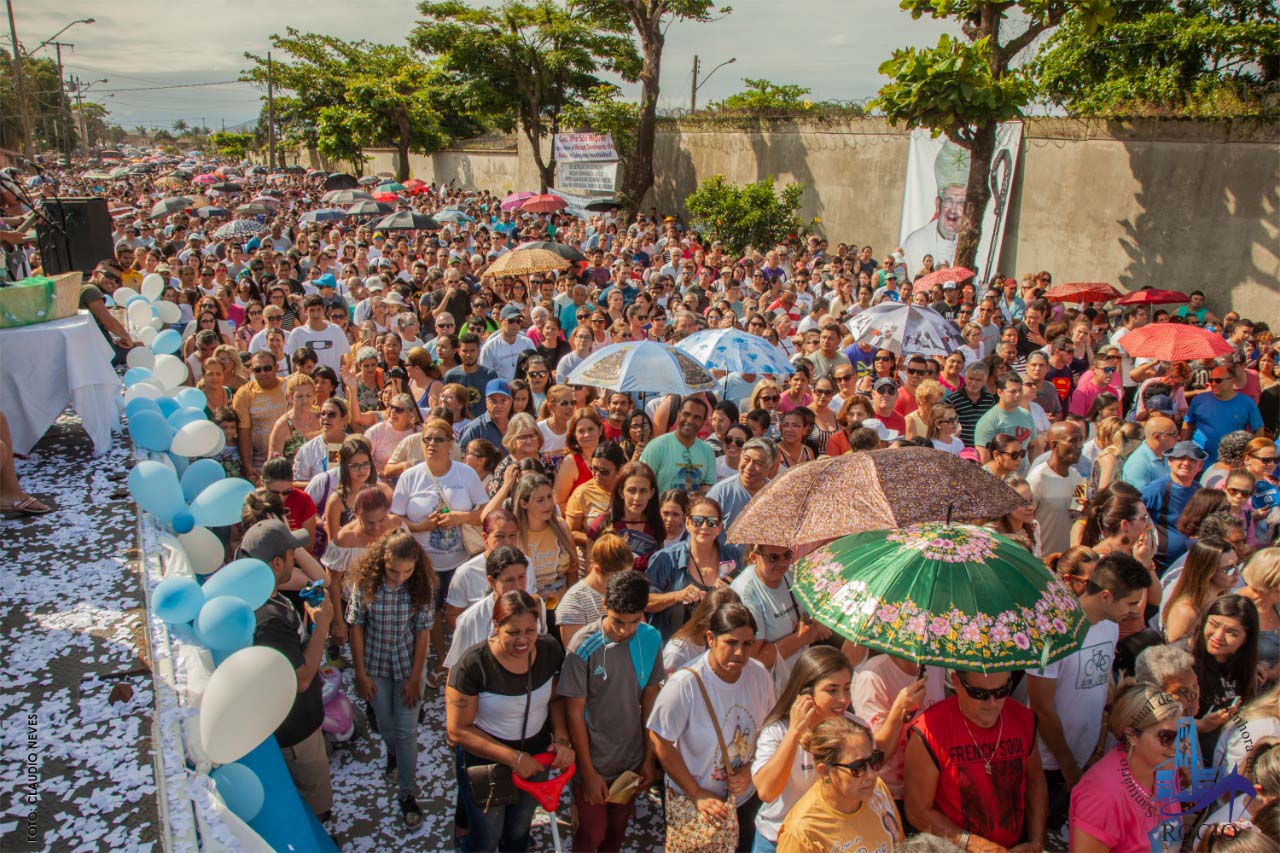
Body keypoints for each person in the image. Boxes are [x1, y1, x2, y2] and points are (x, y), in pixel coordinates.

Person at [1026, 551, 1152, 833]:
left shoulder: (1110, 627)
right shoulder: (1052, 633)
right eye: (1130, 602)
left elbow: (1102, 681)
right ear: (1106, 596)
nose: (1134, 611)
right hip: (1049, 764)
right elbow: (1041, 707)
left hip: (1086, 759)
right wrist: (1068, 766)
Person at [445, 590, 573, 853]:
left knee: (518, 830)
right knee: (486, 837)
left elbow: (556, 699)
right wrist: (514, 759)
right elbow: (458, 730)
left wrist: (561, 738)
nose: (523, 640)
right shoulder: (473, 665)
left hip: (537, 757)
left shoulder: (549, 650)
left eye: (530, 630)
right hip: (487, 761)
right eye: (513, 632)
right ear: (495, 627)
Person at [648, 601, 777, 853]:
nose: (739, 653)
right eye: (731, 643)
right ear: (711, 638)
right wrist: (696, 793)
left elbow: (768, 729)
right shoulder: (685, 684)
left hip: (746, 801)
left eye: (747, 644)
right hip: (698, 805)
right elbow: (660, 740)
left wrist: (752, 770)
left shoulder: (759, 675)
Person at [560, 571, 663, 853]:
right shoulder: (582, 645)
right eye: (618, 621)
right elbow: (573, 713)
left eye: (634, 622)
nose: (625, 630)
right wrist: (587, 772)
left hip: (630, 761)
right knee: (592, 833)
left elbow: (651, 698)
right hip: (594, 761)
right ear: (603, 605)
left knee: (617, 831)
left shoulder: (651, 638)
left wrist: (648, 757)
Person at [244, 519, 333, 819]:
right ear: (276, 561)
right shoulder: (266, 620)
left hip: (292, 727)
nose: (297, 559)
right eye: (292, 555)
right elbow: (302, 679)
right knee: (315, 806)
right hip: (295, 734)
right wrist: (322, 626)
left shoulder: (263, 595)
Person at [392, 416, 489, 687]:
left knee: (460, 610)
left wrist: (459, 517)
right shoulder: (411, 476)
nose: (432, 445)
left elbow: (484, 512)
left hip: (460, 559)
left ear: (450, 443)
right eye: (427, 439)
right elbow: (395, 518)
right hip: (424, 560)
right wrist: (420, 525)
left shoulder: (465, 473)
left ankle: (465, 657)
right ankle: (441, 658)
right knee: (430, 611)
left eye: (438, 439)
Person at [346, 529, 434, 828]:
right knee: (385, 725)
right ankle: (392, 754)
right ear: (382, 561)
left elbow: (424, 632)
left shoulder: (421, 586)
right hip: (376, 667)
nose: (399, 578)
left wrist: (415, 677)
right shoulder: (365, 583)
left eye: (407, 571)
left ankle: (407, 794)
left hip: (408, 667)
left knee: (407, 731)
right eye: (393, 571)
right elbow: (356, 626)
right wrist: (360, 673)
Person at [905, 667, 1046, 851]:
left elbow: (1036, 782)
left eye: (1002, 691)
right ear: (956, 682)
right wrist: (976, 845)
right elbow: (917, 811)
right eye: (979, 693)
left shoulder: (1023, 719)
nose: (992, 702)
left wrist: (1036, 842)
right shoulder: (930, 730)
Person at [752, 647, 860, 853]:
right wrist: (794, 732)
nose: (844, 699)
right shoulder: (777, 732)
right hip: (778, 840)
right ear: (805, 694)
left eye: (847, 688)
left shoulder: (857, 731)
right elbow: (766, 791)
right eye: (832, 690)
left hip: (834, 841)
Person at [1067, 683, 1181, 852]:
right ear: (1132, 736)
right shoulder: (1101, 797)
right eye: (1166, 737)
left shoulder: (1165, 771)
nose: (1178, 745)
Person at [774, 715, 902, 853]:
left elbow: (901, 846)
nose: (871, 775)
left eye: (874, 760)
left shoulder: (878, 790)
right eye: (857, 767)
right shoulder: (802, 832)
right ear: (825, 771)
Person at [733, 542, 832, 694]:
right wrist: (801, 638)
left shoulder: (791, 574)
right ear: (754, 558)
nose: (782, 563)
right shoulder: (746, 593)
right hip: (767, 690)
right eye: (773, 558)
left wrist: (817, 622)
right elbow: (754, 658)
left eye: (787, 555)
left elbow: (814, 612)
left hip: (797, 680)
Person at [647, 496, 745, 640]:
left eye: (712, 522)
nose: (704, 527)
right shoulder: (665, 559)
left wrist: (732, 593)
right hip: (674, 647)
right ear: (687, 523)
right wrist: (677, 595)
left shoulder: (733, 556)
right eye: (697, 520)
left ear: (719, 528)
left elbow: (745, 599)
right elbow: (646, 602)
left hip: (717, 647)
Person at [1185, 594, 1260, 758]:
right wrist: (1200, 725)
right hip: (1186, 761)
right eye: (1214, 624)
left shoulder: (1246, 668)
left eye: (1232, 632)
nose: (1218, 637)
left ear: (1246, 639)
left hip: (1225, 757)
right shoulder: (1181, 662)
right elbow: (1158, 720)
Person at [513, 472, 579, 623]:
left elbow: (573, 569)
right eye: (540, 500)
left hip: (562, 609)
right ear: (524, 503)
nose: (548, 504)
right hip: (527, 611)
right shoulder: (514, 534)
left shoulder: (561, 526)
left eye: (550, 497)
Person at [556, 532, 634, 646]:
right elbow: (577, 656)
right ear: (597, 570)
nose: (624, 583)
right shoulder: (574, 603)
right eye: (617, 579)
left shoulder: (626, 591)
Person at [1143, 440, 1208, 572]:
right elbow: (1132, 512)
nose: (1186, 463)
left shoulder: (1199, 490)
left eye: (1192, 460)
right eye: (1181, 458)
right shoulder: (1157, 489)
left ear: (1200, 465)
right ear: (1170, 461)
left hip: (1191, 562)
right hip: (1161, 563)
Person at [1161, 537, 1241, 642]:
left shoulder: (1221, 601)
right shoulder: (1186, 612)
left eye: (1238, 565)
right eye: (1229, 569)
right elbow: (1175, 653)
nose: (1237, 573)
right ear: (1207, 572)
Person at [1028, 420, 1088, 556]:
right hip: (1042, 560)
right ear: (1055, 445)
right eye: (1073, 441)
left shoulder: (1077, 477)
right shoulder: (1037, 479)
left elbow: (1079, 512)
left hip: (1066, 560)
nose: (1079, 446)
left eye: (1080, 440)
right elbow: (1025, 521)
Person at [1184, 366, 1263, 467]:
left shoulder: (1247, 403)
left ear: (1232, 380)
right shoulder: (1198, 400)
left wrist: (1249, 454)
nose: (1213, 384)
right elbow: (1187, 424)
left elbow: (1259, 430)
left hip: (1230, 462)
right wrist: (1182, 447)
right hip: (1199, 458)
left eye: (1218, 380)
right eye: (1211, 380)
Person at [640, 397, 718, 494]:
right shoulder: (656, 447)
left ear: (703, 422)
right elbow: (641, 482)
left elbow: (709, 485)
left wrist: (699, 494)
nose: (690, 420)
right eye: (686, 414)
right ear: (678, 415)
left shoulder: (707, 451)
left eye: (697, 417)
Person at [233, 350, 289, 482]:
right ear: (251, 370)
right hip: (260, 462)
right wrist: (247, 465)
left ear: (276, 368)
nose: (263, 373)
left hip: (290, 457)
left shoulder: (288, 387)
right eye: (258, 369)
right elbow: (243, 431)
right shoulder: (244, 394)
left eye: (267, 368)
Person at [708, 437, 776, 538]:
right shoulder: (721, 492)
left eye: (758, 463)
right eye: (746, 459)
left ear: (770, 467)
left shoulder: (776, 494)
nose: (749, 467)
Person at [974, 372, 1040, 463]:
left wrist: (1034, 468)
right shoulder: (989, 420)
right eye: (1012, 391)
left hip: (1022, 475)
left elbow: (1034, 445)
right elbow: (984, 457)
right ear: (1000, 392)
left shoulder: (1027, 416)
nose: (1018, 395)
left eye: (1020, 390)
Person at [444, 332, 498, 418]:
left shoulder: (489, 375)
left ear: (479, 351)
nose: (468, 355)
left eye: (472, 351)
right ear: (458, 352)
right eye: (465, 351)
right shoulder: (451, 376)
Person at [944, 362, 996, 448]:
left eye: (978, 380)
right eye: (971, 378)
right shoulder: (952, 400)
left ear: (985, 380)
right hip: (960, 449)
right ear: (965, 378)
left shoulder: (989, 399)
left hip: (984, 448)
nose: (973, 383)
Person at [1122, 415, 1180, 491]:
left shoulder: (1166, 455)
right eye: (1174, 435)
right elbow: (1143, 498)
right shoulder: (1138, 464)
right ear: (1157, 437)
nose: (1178, 438)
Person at [458, 379, 513, 451]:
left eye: (503, 400)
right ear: (486, 402)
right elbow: (462, 458)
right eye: (494, 400)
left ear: (511, 401)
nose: (499, 405)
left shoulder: (518, 426)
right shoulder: (475, 430)